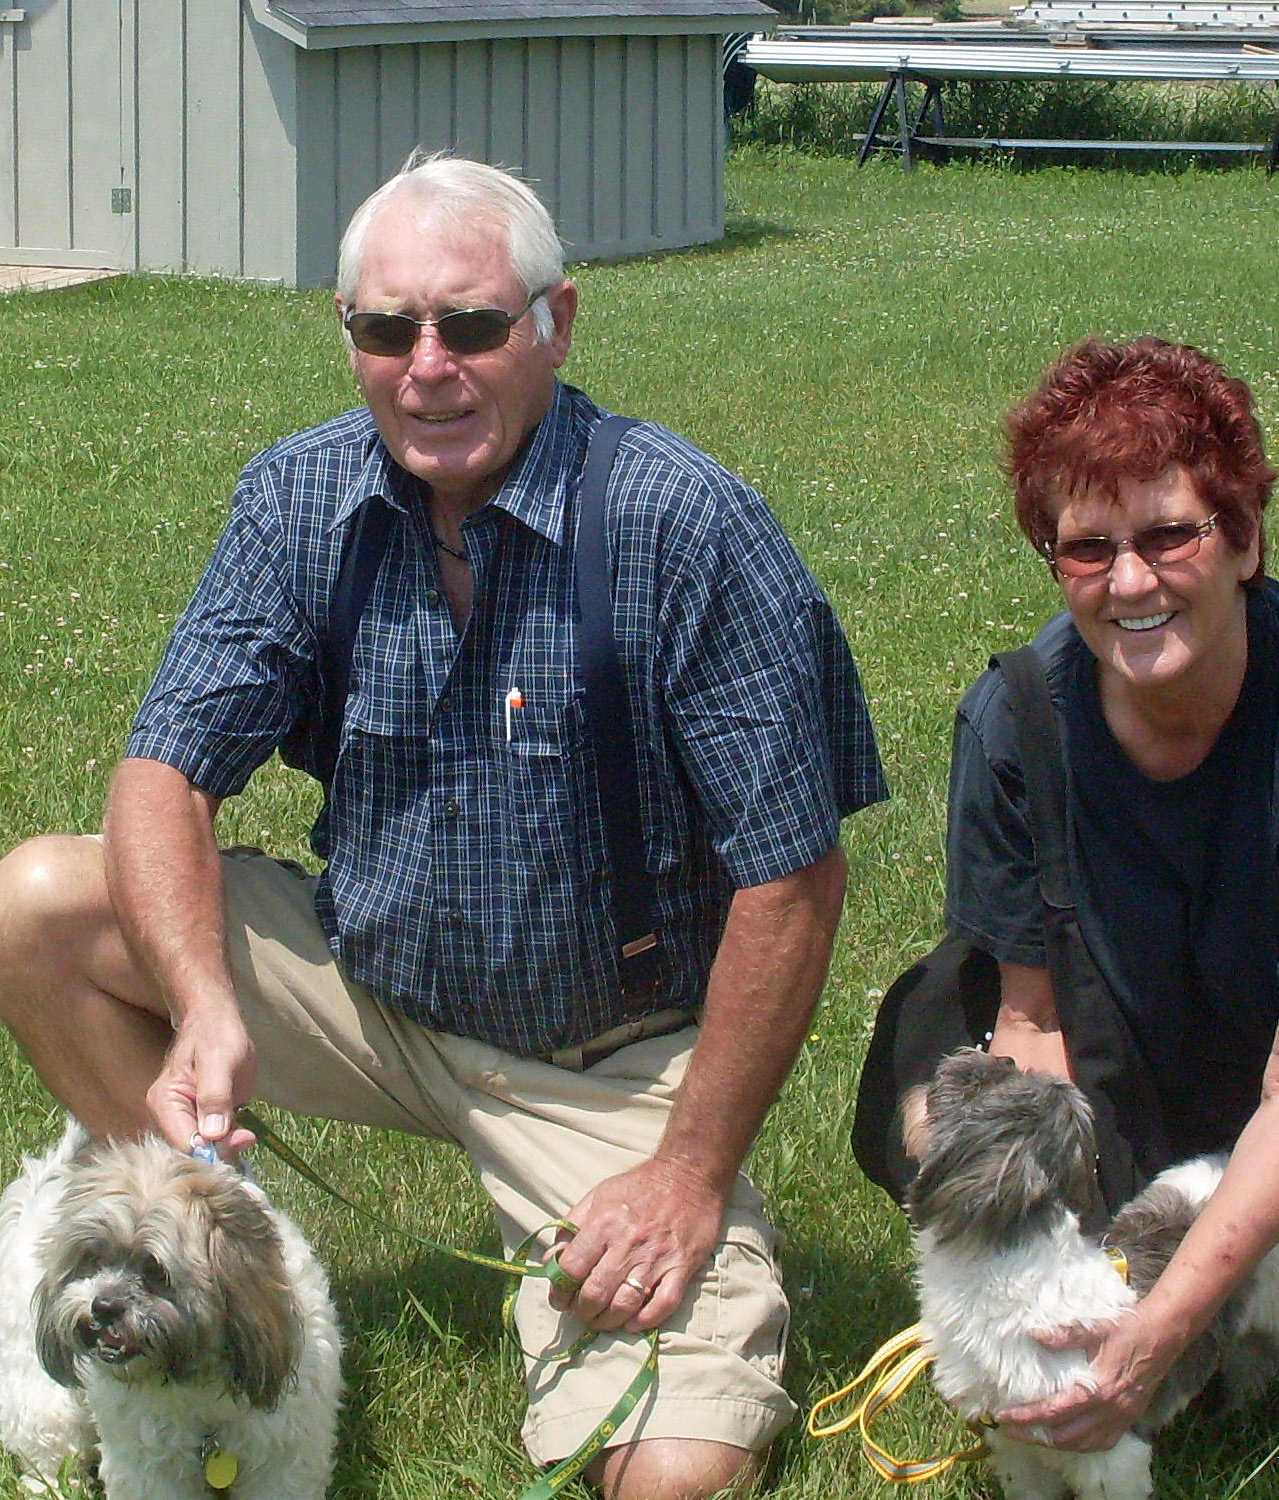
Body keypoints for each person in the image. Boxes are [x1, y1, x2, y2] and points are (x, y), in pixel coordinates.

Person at [0, 154, 886, 1500]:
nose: (429, 365)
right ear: (348, 337)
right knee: (35, 909)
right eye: (385, 328)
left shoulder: (682, 526)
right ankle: (213, 1259)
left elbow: (794, 881)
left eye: (471, 325)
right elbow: (163, 774)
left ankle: (636, 1247)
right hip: (374, 986)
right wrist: (204, 1004)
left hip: (611, 1059)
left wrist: (692, 1171)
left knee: (673, 1478)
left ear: (558, 324)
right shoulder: (302, 500)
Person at [940, 337, 1279, 1500]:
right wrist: (1019, 1258)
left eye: (1170, 535)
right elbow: (1031, 1024)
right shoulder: (1014, 726)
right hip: (1162, 1087)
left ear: (1244, 539)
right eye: (1087, 548)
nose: (1130, 583)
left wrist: (1148, 1342)